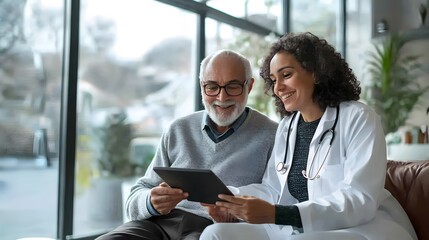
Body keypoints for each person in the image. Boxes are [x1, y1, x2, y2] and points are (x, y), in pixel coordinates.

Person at [199, 32, 417, 240]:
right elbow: (272, 189)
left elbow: (360, 199)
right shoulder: (288, 126)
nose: (278, 88)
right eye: (273, 80)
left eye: (286, 75)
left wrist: (280, 214)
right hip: (297, 228)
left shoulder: (359, 118)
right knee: (214, 234)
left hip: (359, 229)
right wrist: (228, 199)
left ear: (315, 72)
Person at [96, 49, 278, 240]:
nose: (222, 97)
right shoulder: (178, 129)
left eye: (233, 86)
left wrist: (235, 217)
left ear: (249, 86)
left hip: (212, 230)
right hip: (157, 224)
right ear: (202, 87)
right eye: (212, 86)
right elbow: (137, 194)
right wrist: (150, 201)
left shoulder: (272, 136)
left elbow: (275, 204)